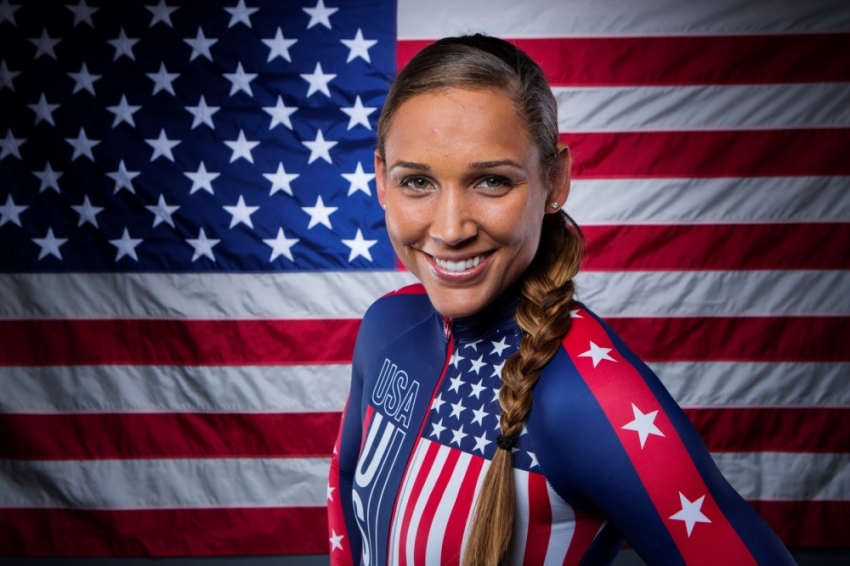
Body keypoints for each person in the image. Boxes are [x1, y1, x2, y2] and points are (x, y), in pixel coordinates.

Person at [328, 34, 796, 566]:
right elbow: (347, 481)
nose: (451, 229)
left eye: (491, 181)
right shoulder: (387, 324)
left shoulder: (594, 400)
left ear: (555, 180)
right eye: (416, 181)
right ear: (382, 183)